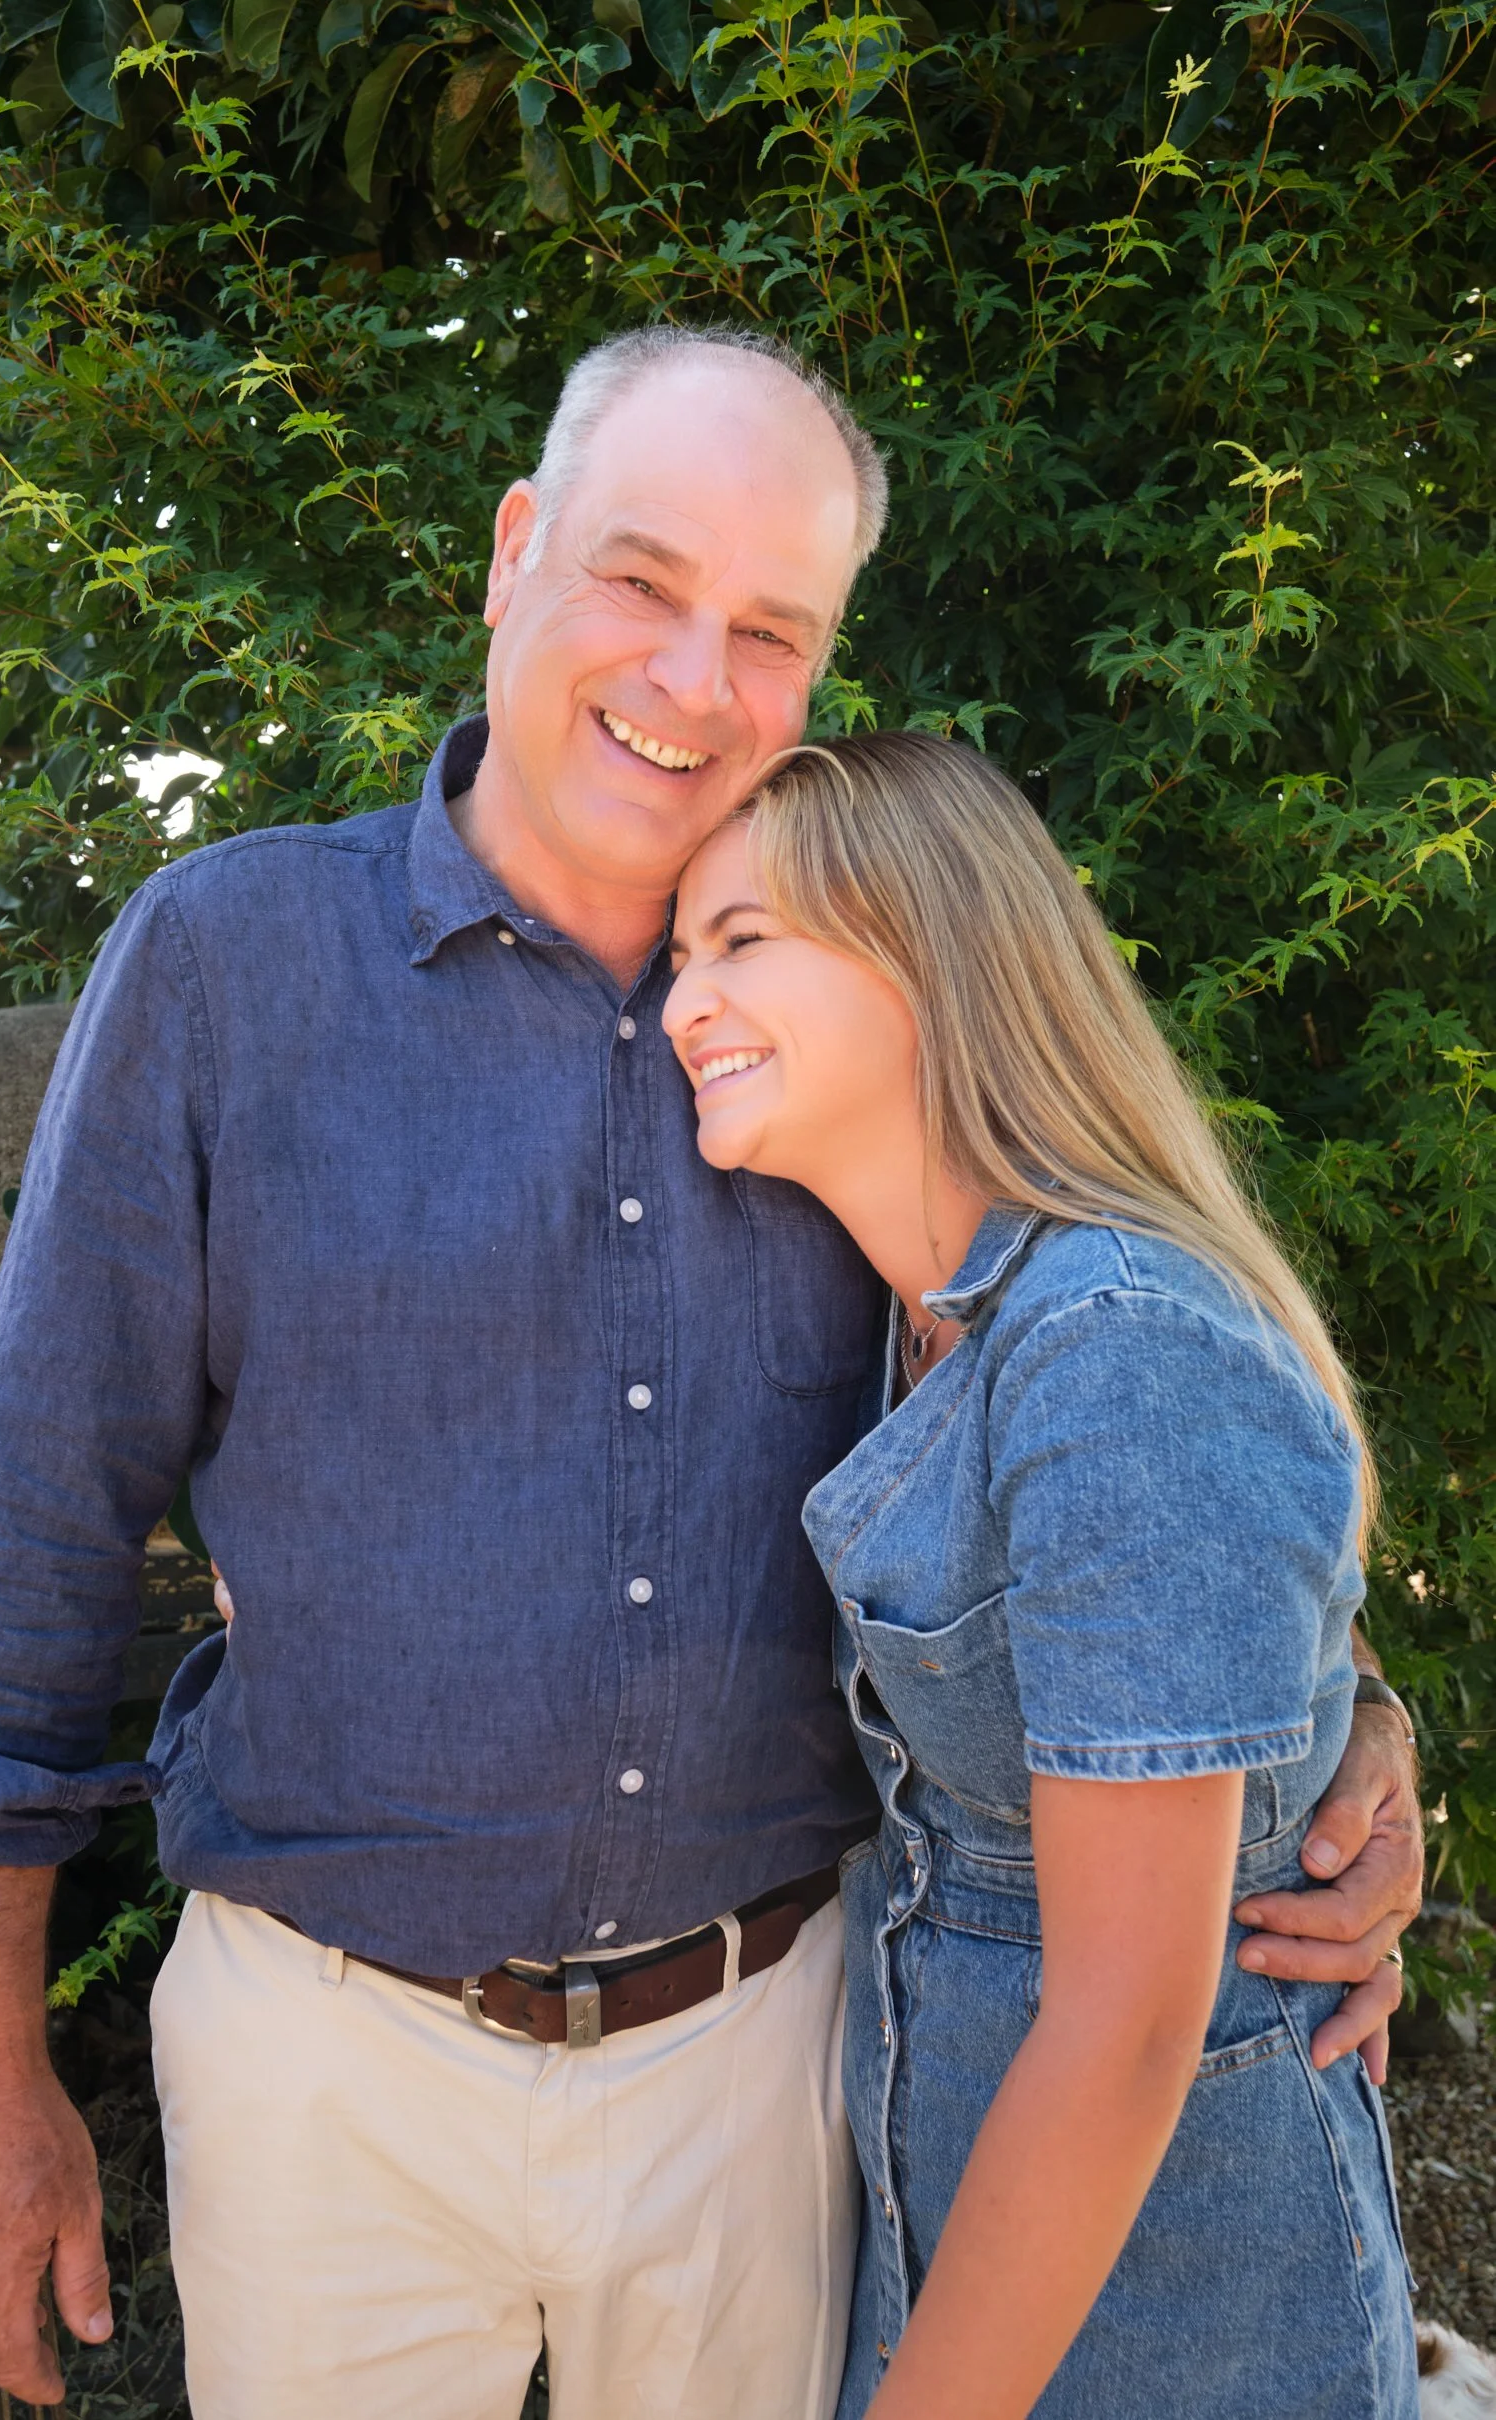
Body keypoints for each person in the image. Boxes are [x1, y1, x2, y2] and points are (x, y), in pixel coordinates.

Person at [0, 335, 1421, 2419]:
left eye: (768, 628)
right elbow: (34, 1542)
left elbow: (1138, 1476)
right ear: (514, 550)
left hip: (768, 2056)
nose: (692, 676)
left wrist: (1337, 1742)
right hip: (323, 2059)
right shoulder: (229, 967)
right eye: (639, 576)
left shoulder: (848, 1037)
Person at [663, 729, 1419, 2420]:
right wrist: (1367, 1719)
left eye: (740, 941)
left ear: (930, 953)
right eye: (678, 957)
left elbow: (1127, 2027)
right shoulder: (923, 1322)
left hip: (1183, 2307)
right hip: (966, 2230)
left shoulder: (1115, 1343)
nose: (682, 1005)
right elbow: (1276, 1617)